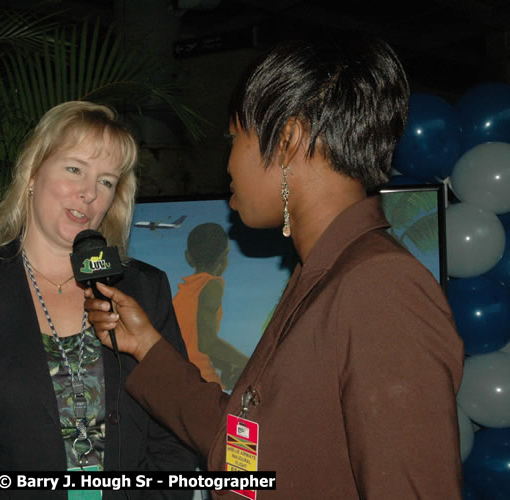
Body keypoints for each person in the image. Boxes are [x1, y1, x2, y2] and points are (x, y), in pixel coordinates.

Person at [85, 32, 464, 499]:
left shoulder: (379, 287)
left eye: (235, 139)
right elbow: (243, 450)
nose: (227, 165)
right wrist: (146, 346)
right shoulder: (325, 278)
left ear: (287, 140)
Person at [0, 101, 197, 499]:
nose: (88, 193)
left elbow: (175, 429)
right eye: (74, 169)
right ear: (32, 173)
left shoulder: (144, 288)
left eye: (106, 181)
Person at [172, 223, 248, 389]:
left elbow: (191, 342)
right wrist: (250, 364)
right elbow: (207, 343)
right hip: (202, 383)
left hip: (181, 379)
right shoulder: (212, 285)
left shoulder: (183, 293)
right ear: (223, 258)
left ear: (188, 257)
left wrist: (227, 366)